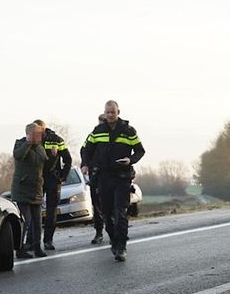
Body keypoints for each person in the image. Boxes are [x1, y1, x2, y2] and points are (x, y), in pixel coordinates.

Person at [80, 100, 145, 261]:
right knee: (106, 213)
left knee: (120, 211)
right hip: (103, 177)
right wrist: (85, 164)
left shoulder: (128, 131)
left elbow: (140, 150)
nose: (110, 115)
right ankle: (114, 241)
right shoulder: (97, 131)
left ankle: (121, 246)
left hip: (122, 177)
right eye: (107, 112)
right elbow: (86, 149)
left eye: (112, 112)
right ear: (105, 113)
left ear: (118, 112)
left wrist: (130, 160)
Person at [24, 119, 73, 251]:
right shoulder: (31, 140)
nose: (36, 133)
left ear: (43, 129)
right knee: (35, 212)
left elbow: (68, 160)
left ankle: (48, 241)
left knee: (51, 211)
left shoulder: (56, 140)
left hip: (52, 179)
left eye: (38, 131)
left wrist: (63, 176)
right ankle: (30, 242)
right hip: (37, 179)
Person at [12, 123, 48, 258]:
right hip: (22, 189)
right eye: (37, 134)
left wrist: (54, 155)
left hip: (36, 188)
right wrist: (28, 143)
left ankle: (37, 247)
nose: (40, 136)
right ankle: (20, 249)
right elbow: (18, 155)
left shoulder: (40, 147)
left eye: (40, 134)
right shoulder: (20, 145)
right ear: (29, 134)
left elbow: (46, 162)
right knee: (25, 220)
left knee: (37, 222)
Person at [82, 114, 107, 244]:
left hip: (111, 174)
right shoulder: (94, 134)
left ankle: (115, 231)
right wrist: (85, 164)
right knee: (96, 204)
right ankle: (99, 232)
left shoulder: (116, 133)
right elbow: (84, 150)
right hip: (96, 174)